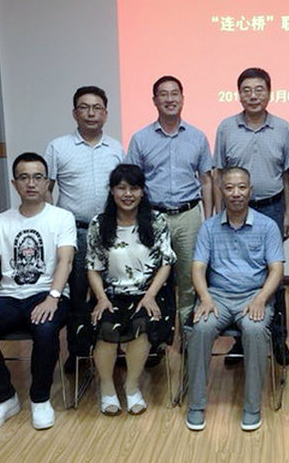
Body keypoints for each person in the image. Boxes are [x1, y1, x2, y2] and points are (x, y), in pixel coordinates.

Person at [0, 152, 76, 433]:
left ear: (47, 182)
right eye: (24, 177)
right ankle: (3, 398)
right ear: (15, 184)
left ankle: (40, 398)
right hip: (9, 297)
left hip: (48, 293)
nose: (31, 183)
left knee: (46, 328)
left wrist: (52, 297)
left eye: (38, 177)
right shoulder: (1, 221)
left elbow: (65, 261)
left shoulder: (62, 217)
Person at [185, 166, 284, 432]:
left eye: (242, 187)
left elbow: (276, 270)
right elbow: (198, 268)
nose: (236, 193)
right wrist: (205, 298)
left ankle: (252, 406)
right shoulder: (208, 228)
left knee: (254, 330)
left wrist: (261, 298)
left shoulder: (267, 226)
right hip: (217, 295)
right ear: (221, 191)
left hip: (253, 295)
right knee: (201, 328)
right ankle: (196, 404)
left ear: (250, 191)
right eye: (229, 187)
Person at [214, 67, 289, 365]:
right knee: (237, 271)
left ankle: (278, 338)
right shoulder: (226, 127)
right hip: (234, 209)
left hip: (271, 207)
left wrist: (287, 214)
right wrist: (217, 213)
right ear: (239, 94)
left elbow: (287, 176)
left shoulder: (283, 128)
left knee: (274, 275)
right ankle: (240, 339)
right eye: (246, 90)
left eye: (259, 89)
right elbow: (219, 173)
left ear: (269, 93)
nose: (253, 95)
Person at [86, 164, 176, 416]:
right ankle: (107, 388)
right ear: (112, 191)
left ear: (142, 191)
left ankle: (132, 387)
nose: (128, 194)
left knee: (142, 324)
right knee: (105, 325)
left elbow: (166, 263)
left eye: (134, 188)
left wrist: (150, 296)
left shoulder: (157, 221)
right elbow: (92, 266)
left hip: (149, 293)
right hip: (110, 294)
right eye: (121, 188)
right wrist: (101, 298)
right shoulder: (99, 223)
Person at [45, 86, 124, 368]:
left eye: (97, 108)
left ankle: (114, 346)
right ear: (74, 112)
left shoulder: (116, 148)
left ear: (105, 113)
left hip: (109, 230)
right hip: (74, 231)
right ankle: (78, 351)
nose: (91, 113)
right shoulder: (58, 147)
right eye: (84, 107)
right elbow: (46, 189)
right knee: (78, 291)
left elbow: (124, 189)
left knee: (114, 290)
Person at [127, 75, 213, 327]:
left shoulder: (197, 137)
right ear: (155, 101)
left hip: (188, 216)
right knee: (153, 278)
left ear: (182, 99)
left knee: (189, 278)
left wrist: (208, 219)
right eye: (163, 94)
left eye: (174, 93)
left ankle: (187, 333)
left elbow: (206, 181)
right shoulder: (140, 138)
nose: (169, 99)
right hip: (153, 216)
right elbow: (132, 181)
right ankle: (157, 335)